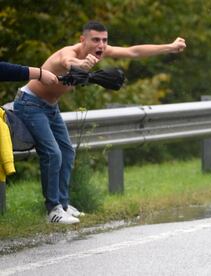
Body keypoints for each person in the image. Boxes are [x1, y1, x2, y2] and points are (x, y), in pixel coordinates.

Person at [13, 20, 186, 224]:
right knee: (53, 153)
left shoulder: (101, 51)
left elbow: (134, 52)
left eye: (104, 40)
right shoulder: (69, 53)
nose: (101, 45)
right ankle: (53, 210)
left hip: (50, 107)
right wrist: (81, 65)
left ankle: (64, 205)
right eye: (95, 40)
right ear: (82, 39)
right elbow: (69, 62)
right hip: (30, 103)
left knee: (67, 151)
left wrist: (170, 47)